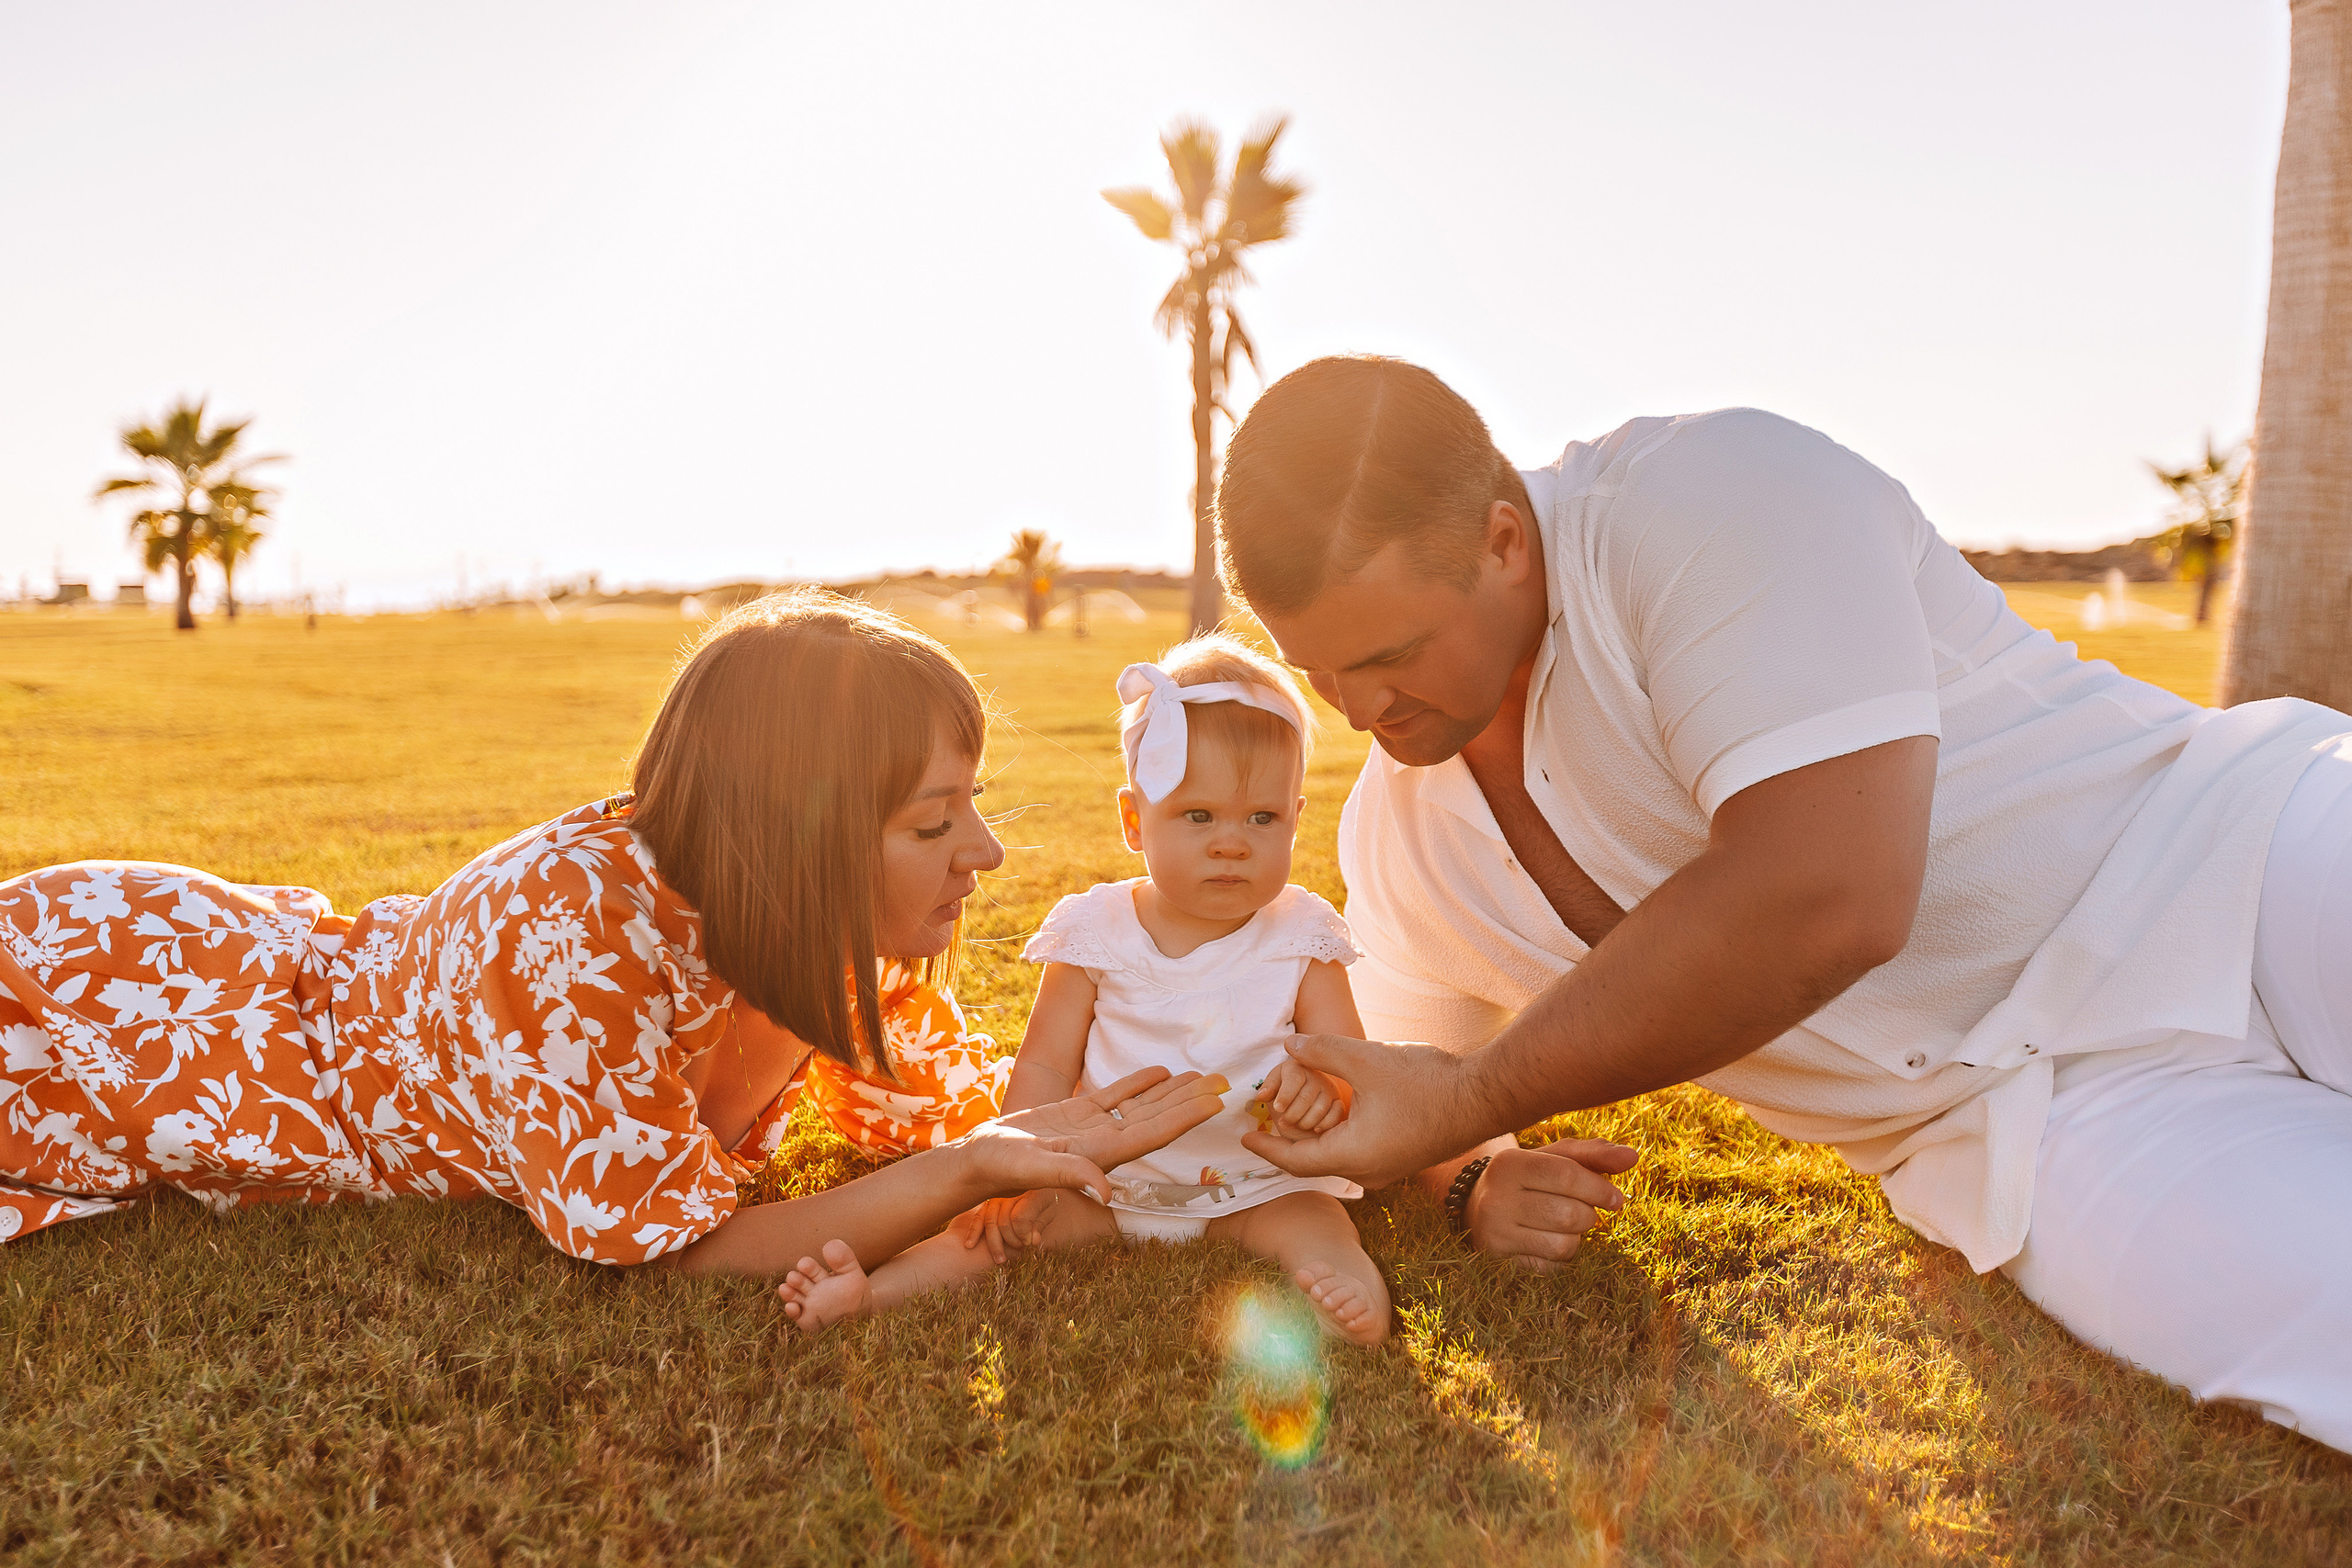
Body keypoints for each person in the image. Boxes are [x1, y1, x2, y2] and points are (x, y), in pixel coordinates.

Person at [1216, 355, 2352, 1451]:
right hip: (2023, 1129)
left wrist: (1471, 1097)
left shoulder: (1707, 496)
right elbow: (1403, 1080)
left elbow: (1829, 892)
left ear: (1503, 541)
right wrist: (1470, 1170)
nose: (1360, 710)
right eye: (1319, 674)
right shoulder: (1400, 838)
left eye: (1393, 653)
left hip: (2238, 853)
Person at [0, 590, 1225, 1272]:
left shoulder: (844, 949)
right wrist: (971, 1167)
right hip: (130, 1006)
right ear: (803, 842)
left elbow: (939, 1143)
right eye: (933, 820)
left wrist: (1028, 1155)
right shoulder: (571, 933)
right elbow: (680, 1248)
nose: (989, 853)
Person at [776, 635, 1392, 1343]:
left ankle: (1347, 1296)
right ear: (1135, 819)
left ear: (1296, 818)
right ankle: (870, 1294)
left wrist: (1324, 1093)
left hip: (1258, 1183)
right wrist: (1020, 1171)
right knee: (993, 1234)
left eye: (1263, 817)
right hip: (1109, 1181)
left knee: (1319, 1225)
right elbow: (1043, 1064)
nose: (1232, 842)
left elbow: (1353, 1067)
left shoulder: (1301, 935)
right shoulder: (1095, 930)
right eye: (1199, 816)